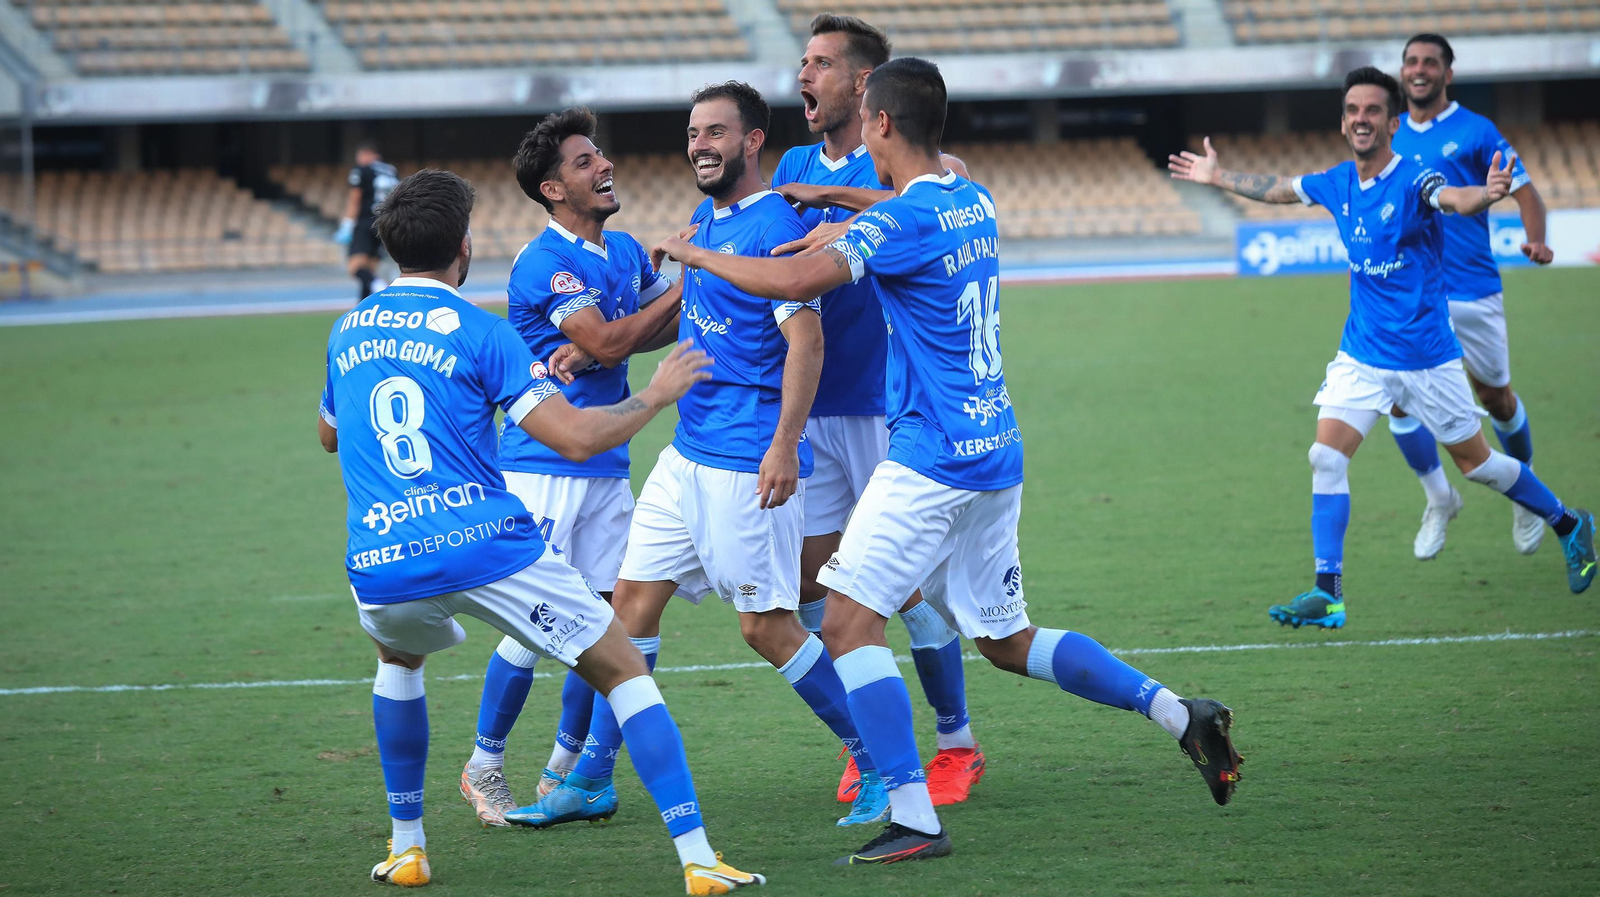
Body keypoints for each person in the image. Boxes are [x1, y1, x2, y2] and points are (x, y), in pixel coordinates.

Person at [654, 58, 1243, 867]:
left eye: (866, 117)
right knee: (1005, 637)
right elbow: (904, 208)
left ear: (883, 124)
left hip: (930, 456)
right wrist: (837, 198)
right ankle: (1181, 713)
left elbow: (792, 277)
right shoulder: (972, 198)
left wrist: (692, 253)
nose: (858, 129)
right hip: (995, 447)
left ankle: (913, 814)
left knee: (852, 618)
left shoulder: (898, 224)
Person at [317, 167, 762, 894]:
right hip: (486, 542)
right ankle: (699, 859)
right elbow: (579, 437)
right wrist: (657, 392)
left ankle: (407, 848)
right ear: (463, 248)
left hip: (381, 556)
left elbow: (330, 435)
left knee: (397, 661)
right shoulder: (481, 332)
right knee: (622, 667)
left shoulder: (347, 329)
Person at [516, 81, 892, 831]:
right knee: (628, 608)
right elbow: (684, 315)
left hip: (744, 459)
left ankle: (880, 762)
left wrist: (785, 444)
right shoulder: (701, 223)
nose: (701, 145)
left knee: (767, 628)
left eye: (717, 132)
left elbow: (805, 341)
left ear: (753, 141)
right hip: (687, 452)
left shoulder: (773, 227)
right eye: (694, 133)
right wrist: (588, 357)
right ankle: (591, 777)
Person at [1168, 67, 1595, 631]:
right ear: (1343, 124)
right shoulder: (1339, 181)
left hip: (1426, 359)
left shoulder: (1416, 179)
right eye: (1351, 111)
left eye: (1371, 110)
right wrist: (1218, 176)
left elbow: (1453, 198)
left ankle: (1570, 523)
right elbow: (1279, 189)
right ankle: (1329, 591)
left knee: (1478, 464)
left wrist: (1485, 195)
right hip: (1362, 355)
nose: (1360, 119)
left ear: (1392, 123)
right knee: (1325, 456)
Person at [770, 13, 986, 808]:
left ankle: (956, 743)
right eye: (802, 61)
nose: (804, 75)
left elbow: (946, 184)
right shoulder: (790, 160)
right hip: (812, 410)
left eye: (820, 63)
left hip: (883, 412)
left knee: (910, 590)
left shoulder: (906, 161)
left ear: (864, 87)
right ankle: (871, 742)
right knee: (809, 587)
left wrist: (837, 200)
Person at [456, 107, 685, 828]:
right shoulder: (542, 262)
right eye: (585, 162)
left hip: (606, 462)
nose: (604, 166)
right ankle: (484, 763)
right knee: (532, 625)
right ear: (554, 189)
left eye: (600, 155)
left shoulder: (618, 254)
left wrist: (683, 291)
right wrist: (702, 265)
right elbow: (617, 339)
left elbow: (657, 326)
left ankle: (564, 762)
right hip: (543, 464)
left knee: (605, 621)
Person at [1389, 33, 1556, 559]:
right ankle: (1440, 498)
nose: (1419, 70)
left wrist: (1537, 238)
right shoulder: (1391, 136)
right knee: (1397, 397)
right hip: (1415, 294)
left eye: (1430, 63)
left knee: (1496, 399)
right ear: (1402, 71)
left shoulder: (1476, 130)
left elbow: (1525, 189)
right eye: (1411, 61)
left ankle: (1526, 493)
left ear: (1447, 74)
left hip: (1473, 288)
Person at [334, 142, 399, 301]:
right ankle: (363, 304)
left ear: (367, 154)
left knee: (355, 267)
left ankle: (380, 286)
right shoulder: (391, 171)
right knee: (370, 268)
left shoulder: (362, 170)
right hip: (385, 222)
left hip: (366, 221)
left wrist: (348, 224)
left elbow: (355, 198)